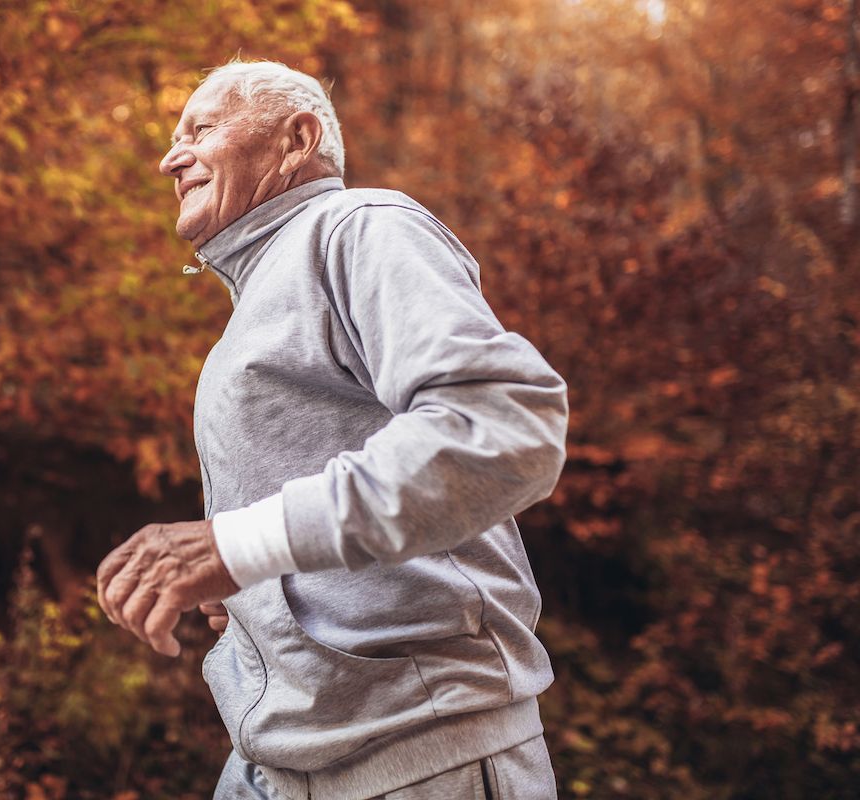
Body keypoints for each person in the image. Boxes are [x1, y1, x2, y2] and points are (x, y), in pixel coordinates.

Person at [96, 60, 568, 800]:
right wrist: (262, 588)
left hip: (418, 754)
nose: (169, 157)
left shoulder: (360, 228)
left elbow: (503, 427)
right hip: (278, 765)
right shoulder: (261, 294)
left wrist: (240, 544)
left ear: (297, 138)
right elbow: (320, 522)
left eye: (202, 128)